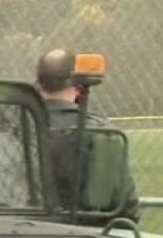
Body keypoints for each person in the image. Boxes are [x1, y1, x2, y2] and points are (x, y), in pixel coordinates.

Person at [34, 48, 141, 222]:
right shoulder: (102, 133)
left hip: (20, 229)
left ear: (37, 84)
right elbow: (125, 206)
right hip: (85, 231)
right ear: (79, 86)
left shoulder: (14, 128)